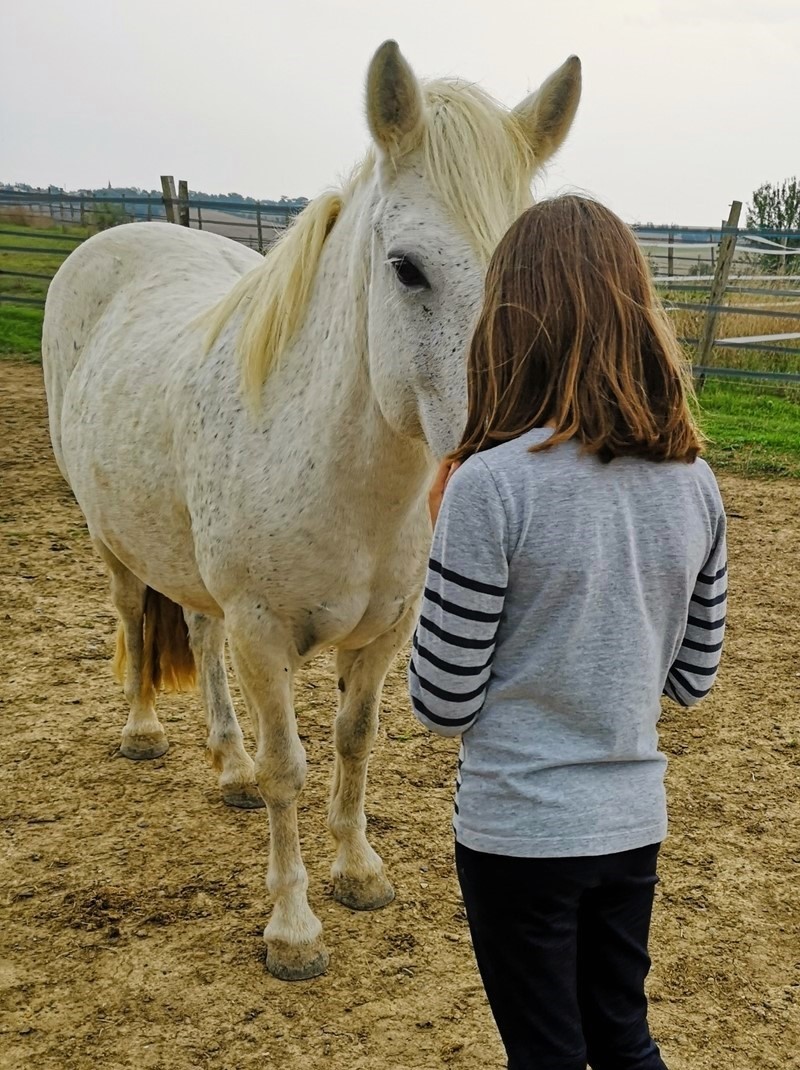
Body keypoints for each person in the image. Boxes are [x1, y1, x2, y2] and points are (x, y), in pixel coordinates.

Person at [408, 195, 727, 1070]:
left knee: (545, 1054)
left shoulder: (489, 487)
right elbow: (693, 680)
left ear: (510, 319)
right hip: (632, 822)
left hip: (520, 831)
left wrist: (447, 547)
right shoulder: (695, 486)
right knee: (624, 1040)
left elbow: (441, 702)